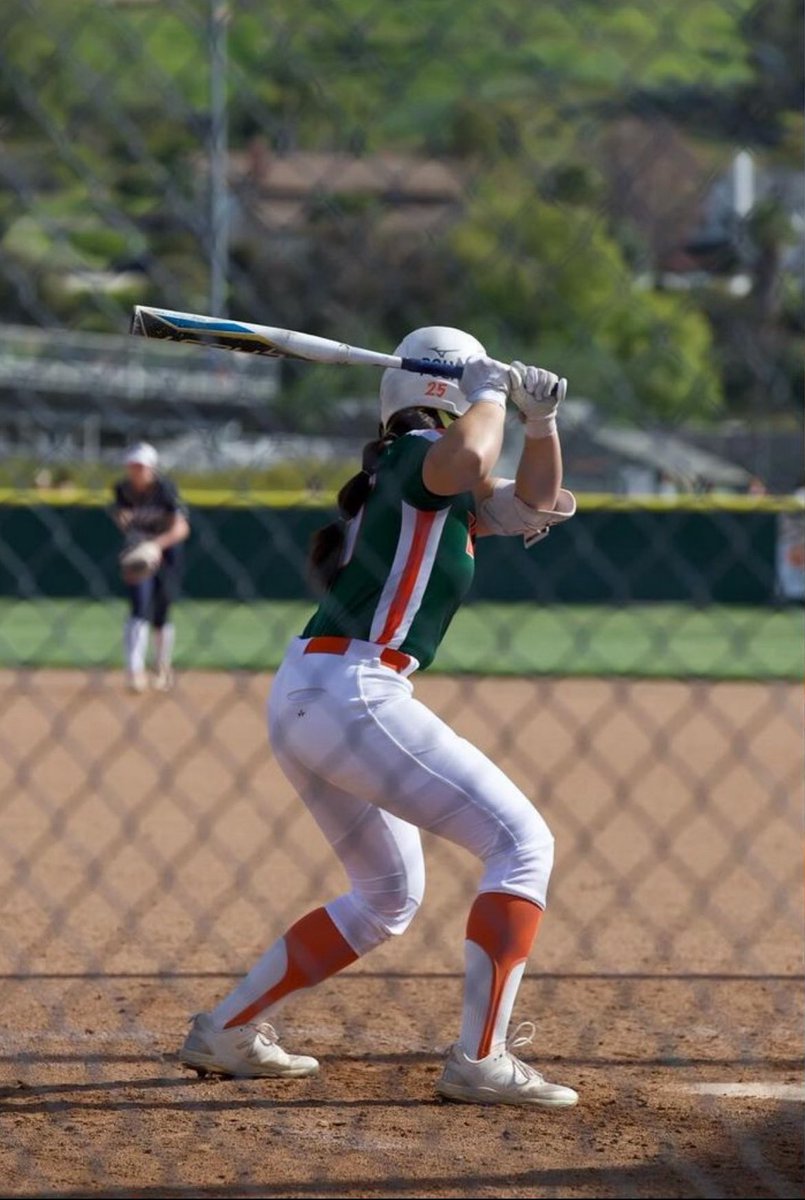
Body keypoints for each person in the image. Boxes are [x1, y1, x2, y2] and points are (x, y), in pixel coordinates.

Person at [179, 329, 578, 1108]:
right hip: (356, 689)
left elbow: (534, 502)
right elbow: (462, 458)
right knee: (522, 844)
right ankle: (481, 1059)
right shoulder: (417, 459)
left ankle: (228, 1028)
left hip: (314, 691)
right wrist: (490, 392)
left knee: (387, 893)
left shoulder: (426, 478)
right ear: (447, 396)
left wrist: (541, 421)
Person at [112, 443, 190, 692]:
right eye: (132, 465)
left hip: (167, 553)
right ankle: (134, 671)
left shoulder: (165, 490)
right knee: (138, 607)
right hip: (139, 554)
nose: (136, 470)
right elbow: (122, 516)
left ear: (151, 468)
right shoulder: (123, 490)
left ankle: (161, 667)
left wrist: (156, 545)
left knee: (161, 613)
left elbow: (181, 528)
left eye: (141, 466)